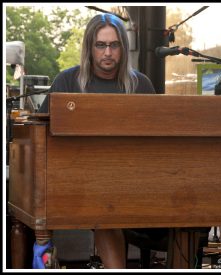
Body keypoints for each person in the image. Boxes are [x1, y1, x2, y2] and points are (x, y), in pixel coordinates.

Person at [38, 13, 168, 268]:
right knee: (105, 207)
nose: (107, 52)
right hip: (80, 181)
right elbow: (42, 131)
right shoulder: (67, 81)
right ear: (90, 47)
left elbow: (157, 141)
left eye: (114, 45)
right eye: (101, 45)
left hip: (135, 181)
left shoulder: (141, 84)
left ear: (122, 47)